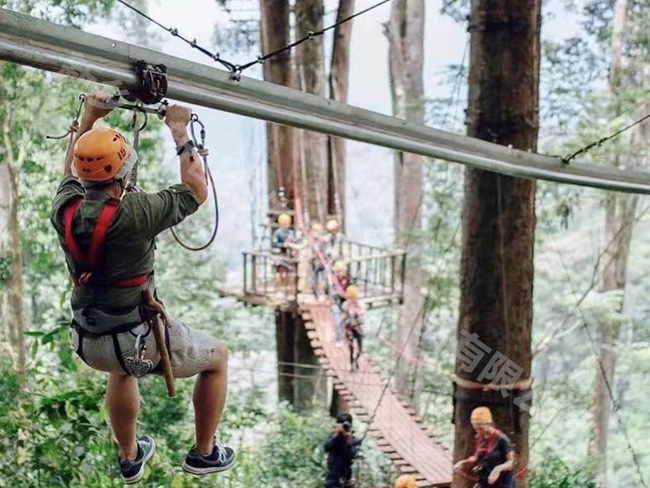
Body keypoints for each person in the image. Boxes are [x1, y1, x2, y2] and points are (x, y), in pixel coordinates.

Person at [49, 94, 236, 484]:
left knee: (121, 371)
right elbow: (196, 190)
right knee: (218, 357)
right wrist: (179, 130)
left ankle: (130, 457)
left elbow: (69, 170)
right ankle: (205, 453)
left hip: (89, 341)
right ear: (122, 174)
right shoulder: (137, 212)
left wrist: (89, 117)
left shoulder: (63, 208)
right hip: (134, 342)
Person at [453, 407, 515, 488]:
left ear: (488, 424)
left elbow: (511, 462)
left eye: (481, 429)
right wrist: (463, 463)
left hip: (502, 482)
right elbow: (476, 457)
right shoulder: (479, 438)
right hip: (485, 480)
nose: (479, 432)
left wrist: (498, 469)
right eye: (476, 429)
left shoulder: (502, 439)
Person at [324, 414, 362, 488]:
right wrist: (336, 435)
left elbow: (352, 455)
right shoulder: (334, 437)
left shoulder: (354, 440)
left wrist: (348, 441)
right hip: (332, 477)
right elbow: (326, 448)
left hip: (346, 478)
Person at [271, 213, 296, 292]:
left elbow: (295, 240)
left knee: (289, 274)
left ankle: (287, 289)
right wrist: (283, 245)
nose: (287, 225)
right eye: (285, 223)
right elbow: (274, 243)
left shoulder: (291, 233)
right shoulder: (278, 233)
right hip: (280, 255)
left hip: (289, 255)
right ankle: (280, 289)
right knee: (280, 273)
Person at [341, 286, 364, 371]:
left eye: (353, 298)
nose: (352, 300)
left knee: (360, 350)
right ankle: (351, 365)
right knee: (351, 347)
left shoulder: (360, 305)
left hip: (359, 328)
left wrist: (355, 308)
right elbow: (344, 316)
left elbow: (361, 315)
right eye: (350, 298)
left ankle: (356, 360)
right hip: (350, 328)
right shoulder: (345, 305)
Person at [329, 261, 350, 346]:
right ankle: (339, 339)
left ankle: (342, 337)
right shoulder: (334, 280)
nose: (337, 274)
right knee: (338, 321)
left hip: (344, 303)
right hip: (336, 302)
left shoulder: (347, 280)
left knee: (344, 321)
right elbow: (338, 290)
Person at [310, 222, 329, 300]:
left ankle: (325, 293)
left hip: (323, 261)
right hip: (315, 261)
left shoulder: (323, 240)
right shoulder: (311, 240)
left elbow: (325, 249)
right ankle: (316, 294)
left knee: (325, 278)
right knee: (314, 278)